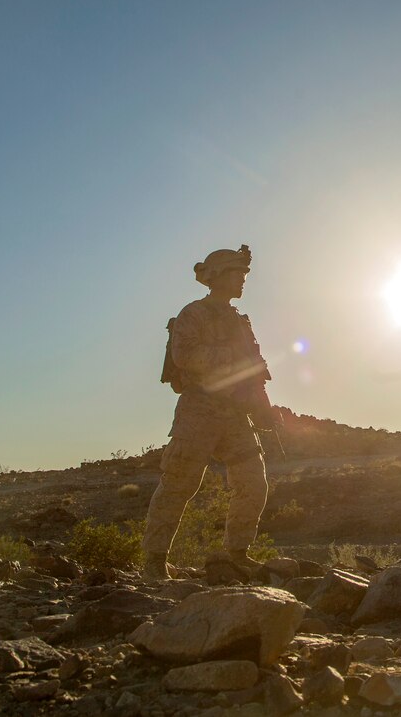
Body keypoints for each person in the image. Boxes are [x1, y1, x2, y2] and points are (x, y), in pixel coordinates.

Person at [142, 245, 273, 581]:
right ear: (218, 276)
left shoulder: (240, 321)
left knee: (253, 483)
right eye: (237, 274)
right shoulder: (193, 314)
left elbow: (254, 369)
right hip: (198, 410)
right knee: (179, 483)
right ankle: (155, 561)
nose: (243, 281)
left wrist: (263, 409)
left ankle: (237, 554)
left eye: (244, 275)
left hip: (234, 414)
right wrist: (231, 356)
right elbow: (185, 354)